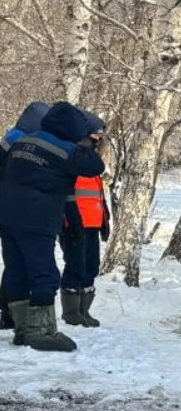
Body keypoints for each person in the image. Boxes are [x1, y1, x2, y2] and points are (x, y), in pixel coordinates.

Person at [0, 101, 104, 352]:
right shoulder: (66, 151)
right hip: (37, 219)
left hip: (7, 217)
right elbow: (95, 166)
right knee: (45, 274)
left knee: (16, 269)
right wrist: (89, 143)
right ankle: (42, 332)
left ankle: (22, 328)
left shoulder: (23, 142)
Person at [0, 102, 51, 330]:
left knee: (13, 265)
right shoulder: (22, 143)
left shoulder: (11, 138)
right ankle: (11, 314)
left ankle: (9, 313)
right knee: (19, 265)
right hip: (16, 211)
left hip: (7, 209)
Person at [60, 112, 109, 328]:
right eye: (95, 138)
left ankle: (84, 310)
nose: (97, 143)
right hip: (74, 223)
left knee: (91, 267)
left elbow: (98, 196)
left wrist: (104, 221)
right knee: (75, 266)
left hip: (92, 224)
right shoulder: (74, 158)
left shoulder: (91, 162)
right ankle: (71, 313)